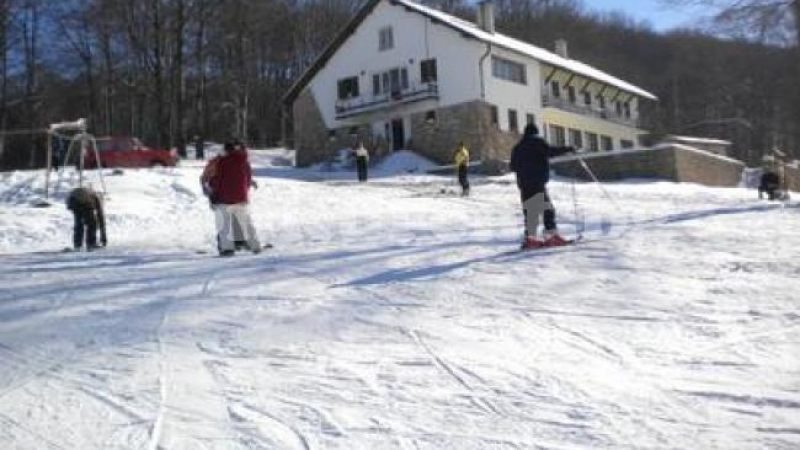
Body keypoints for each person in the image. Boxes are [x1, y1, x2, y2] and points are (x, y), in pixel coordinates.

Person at [509, 123, 574, 249]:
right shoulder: (537, 142)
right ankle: (551, 236)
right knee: (547, 210)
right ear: (536, 132)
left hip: (524, 184)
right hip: (537, 182)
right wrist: (568, 149)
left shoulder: (517, 147)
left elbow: (512, 166)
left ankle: (530, 239)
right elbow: (551, 151)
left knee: (530, 212)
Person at [208, 141, 261, 256]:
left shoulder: (222, 161)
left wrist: (212, 189)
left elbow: (217, 179)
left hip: (224, 197)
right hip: (241, 197)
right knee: (246, 222)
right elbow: (248, 178)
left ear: (226, 150)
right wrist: (244, 192)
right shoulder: (244, 161)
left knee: (224, 224)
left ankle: (227, 248)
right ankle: (255, 245)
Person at [66, 185, 106, 251]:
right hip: (82, 201)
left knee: (79, 223)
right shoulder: (96, 198)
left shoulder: (90, 193)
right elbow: (101, 218)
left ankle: (77, 244)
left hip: (71, 201)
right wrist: (103, 238)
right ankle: (91, 243)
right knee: (92, 224)